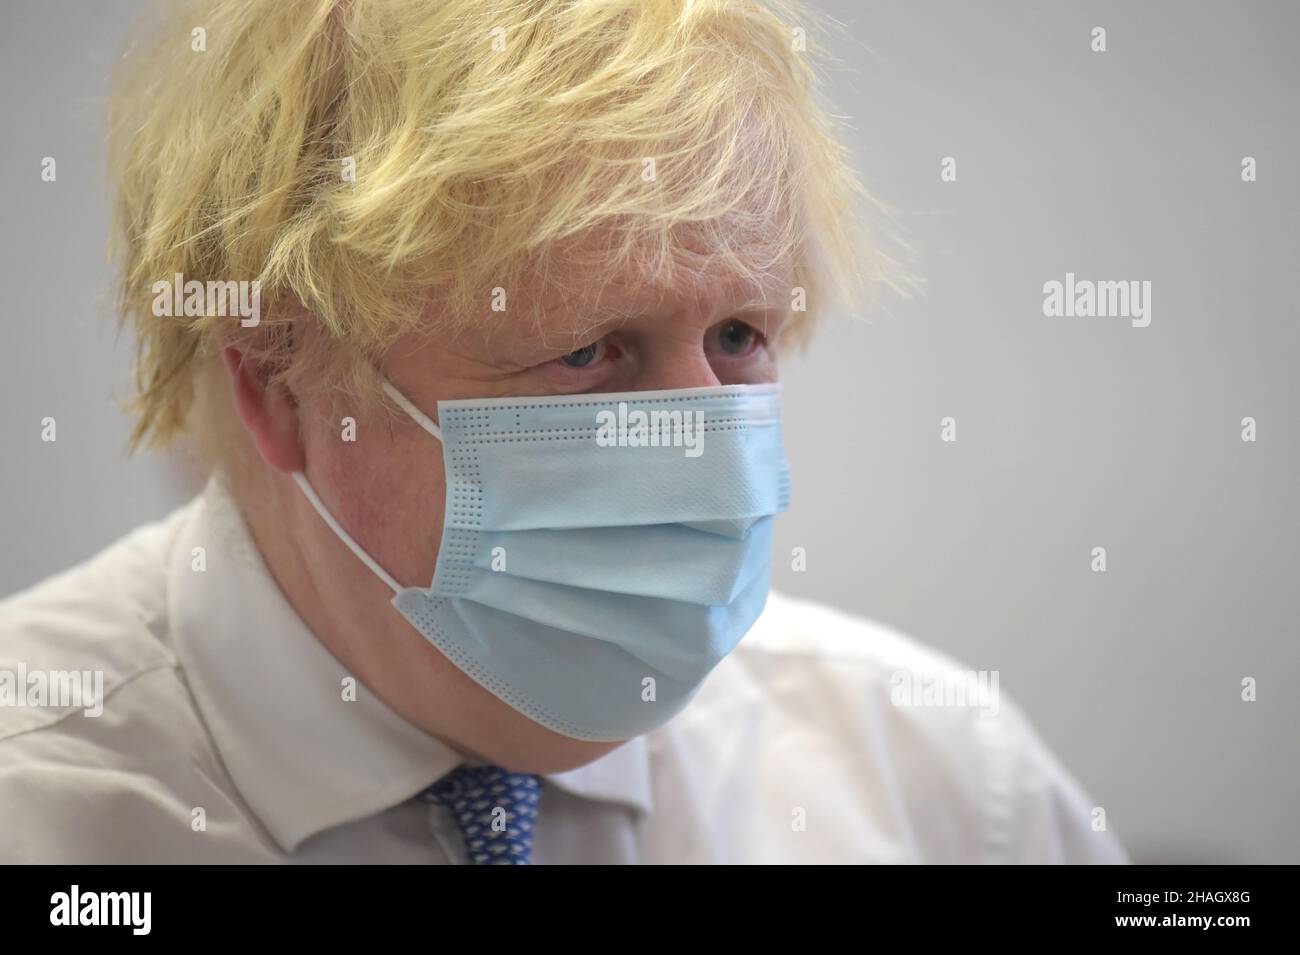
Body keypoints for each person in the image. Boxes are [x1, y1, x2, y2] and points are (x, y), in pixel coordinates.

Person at [0, 0, 1127, 864]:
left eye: (738, 336)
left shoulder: (933, 782)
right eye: (588, 352)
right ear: (279, 386)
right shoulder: (42, 804)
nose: (702, 444)